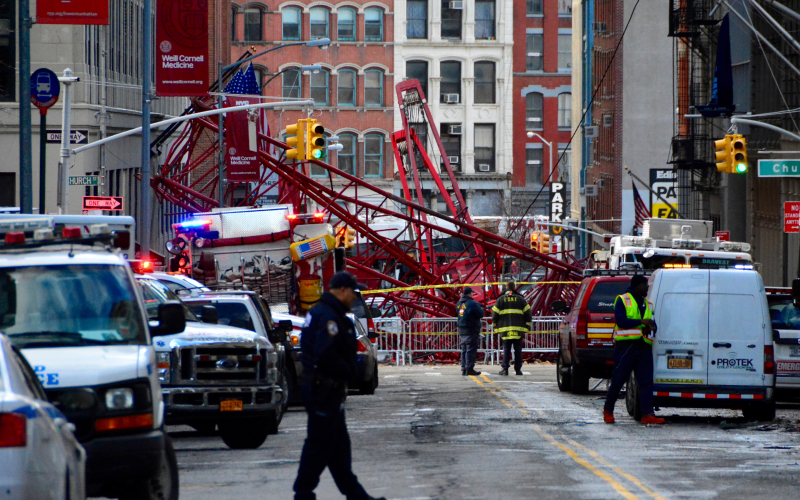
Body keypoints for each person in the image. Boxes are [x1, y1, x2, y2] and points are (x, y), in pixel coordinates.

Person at [293, 272, 386, 500]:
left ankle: (357, 496)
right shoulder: (328, 317)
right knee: (319, 445)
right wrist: (348, 370)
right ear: (342, 290)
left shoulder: (328, 313)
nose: (355, 298)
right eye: (353, 293)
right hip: (323, 390)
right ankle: (303, 493)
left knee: (338, 449)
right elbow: (325, 355)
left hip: (329, 391)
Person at [603, 274, 665, 425]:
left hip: (643, 346)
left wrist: (651, 327)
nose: (647, 288)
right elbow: (621, 321)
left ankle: (647, 414)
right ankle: (608, 410)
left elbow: (652, 322)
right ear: (637, 286)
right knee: (618, 380)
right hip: (626, 346)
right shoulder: (623, 300)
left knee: (645, 381)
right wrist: (641, 322)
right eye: (645, 285)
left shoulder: (649, 304)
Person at [492, 281, 532, 376]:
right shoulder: (521, 299)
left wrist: (495, 326)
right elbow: (528, 313)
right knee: (518, 350)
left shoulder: (500, 300)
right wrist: (526, 325)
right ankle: (518, 370)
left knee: (506, 350)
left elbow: (494, 314)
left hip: (505, 330)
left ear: (506, 287)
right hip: (518, 330)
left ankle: (505, 369)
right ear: (514, 288)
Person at [456, 286, 484, 376]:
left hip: (461, 328)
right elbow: (480, 314)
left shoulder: (459, 303)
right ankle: (469, 368)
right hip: (471, 328)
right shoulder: (472, 303)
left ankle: (464, 368)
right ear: (470, 293)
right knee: (471, 349)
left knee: (464, 349)